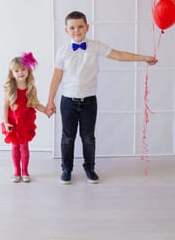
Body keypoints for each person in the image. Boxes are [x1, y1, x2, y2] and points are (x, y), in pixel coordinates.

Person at [45, 11, 158, 185]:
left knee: (88, 137)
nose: (77, 30)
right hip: (67, 101)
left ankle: (89, 168)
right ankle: (66, 169)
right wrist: (50, 101)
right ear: (66, 30)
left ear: (87, 27)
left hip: (89, 101)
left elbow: (119, 55)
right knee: (67, 137)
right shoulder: (62, 51)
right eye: (72, 27)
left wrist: (144, 58)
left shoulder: (95, 46)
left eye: (80, 26)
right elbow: (56, 77)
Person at [1, 52, 46, 183]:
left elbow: (35, 103)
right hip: (13, 122)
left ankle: (25, 172)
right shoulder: (10, 88)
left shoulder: (31, 88)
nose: (20, 73)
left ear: (28, 70)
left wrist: (46, 110)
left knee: (24, 146)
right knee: (15, 146)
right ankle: (17, 172)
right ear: (12, 74)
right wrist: (5, 122)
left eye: (23, 69)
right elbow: (4, 106)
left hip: (25, 122)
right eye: (16, 71)